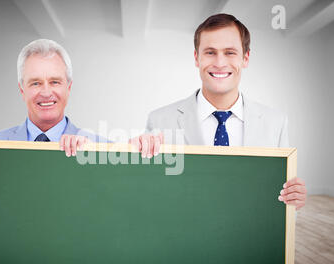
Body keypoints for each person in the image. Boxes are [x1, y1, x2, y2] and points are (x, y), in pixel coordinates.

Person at [130, 13, 307, 210]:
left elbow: (281, 204)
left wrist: (294, 202)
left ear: (245, 58)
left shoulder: (276, 123)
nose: (220, 63)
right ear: (197, 58)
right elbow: (145, 193)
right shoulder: (160, 120)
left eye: (230, 52)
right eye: (210, 52)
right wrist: (133, 158)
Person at [0, 39, 104, 246]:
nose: (46, 92)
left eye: (55, 82)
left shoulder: (102, 149)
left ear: (68, 87)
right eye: (35, 83)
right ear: (22, 90)